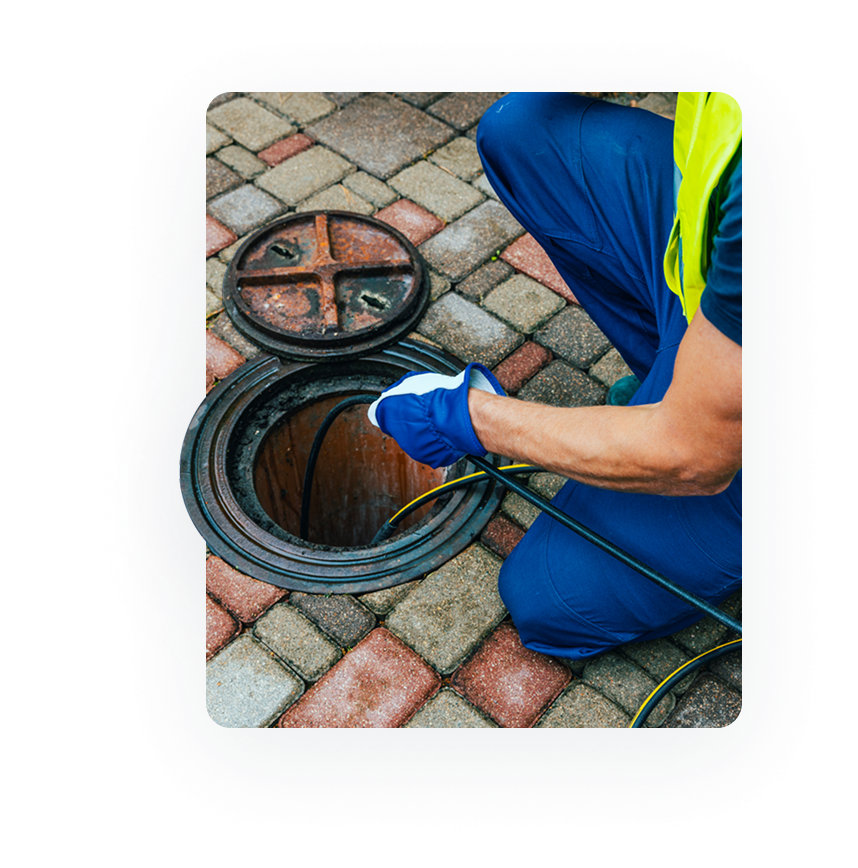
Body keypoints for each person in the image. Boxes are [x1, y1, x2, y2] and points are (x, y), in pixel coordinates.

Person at [368, 92, 742, 660]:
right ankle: (683, 381)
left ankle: (698, 412)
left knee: (548, 598)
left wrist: (469, 417)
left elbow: (693, 455)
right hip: (717, 268)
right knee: (523, 130)